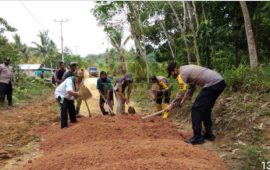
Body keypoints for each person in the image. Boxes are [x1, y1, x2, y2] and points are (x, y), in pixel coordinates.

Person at [165, 62, 226, 145]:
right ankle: (208, 134)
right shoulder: (187, 69)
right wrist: (184, 100)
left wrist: (171, 105)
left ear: (175, 69)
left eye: (171, 73)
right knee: (206, 109)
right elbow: (191, 88)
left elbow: (181, 91)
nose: (172, 76)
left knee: (196, 109)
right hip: (220, 82)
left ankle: (197, 137)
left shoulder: (182, 74)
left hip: (212, 84)